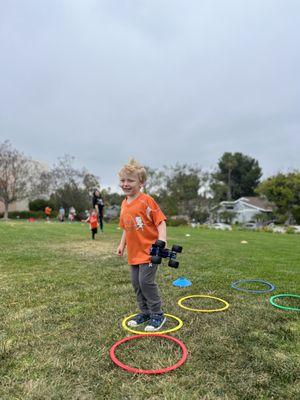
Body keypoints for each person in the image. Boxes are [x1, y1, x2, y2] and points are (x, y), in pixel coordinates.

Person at [117, 158, 167, 332]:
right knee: (136, 283)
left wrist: (162, 241)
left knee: (146, 282)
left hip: (150, 250)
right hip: (134, 253)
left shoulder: (147, 201)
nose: (125, 184)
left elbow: (160, 222)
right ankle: (144, 312)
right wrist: (121, 245)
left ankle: (157, 314)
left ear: (141, 182)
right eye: (123, 180)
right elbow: (126, 227)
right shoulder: (124, 204)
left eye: (130, 180)